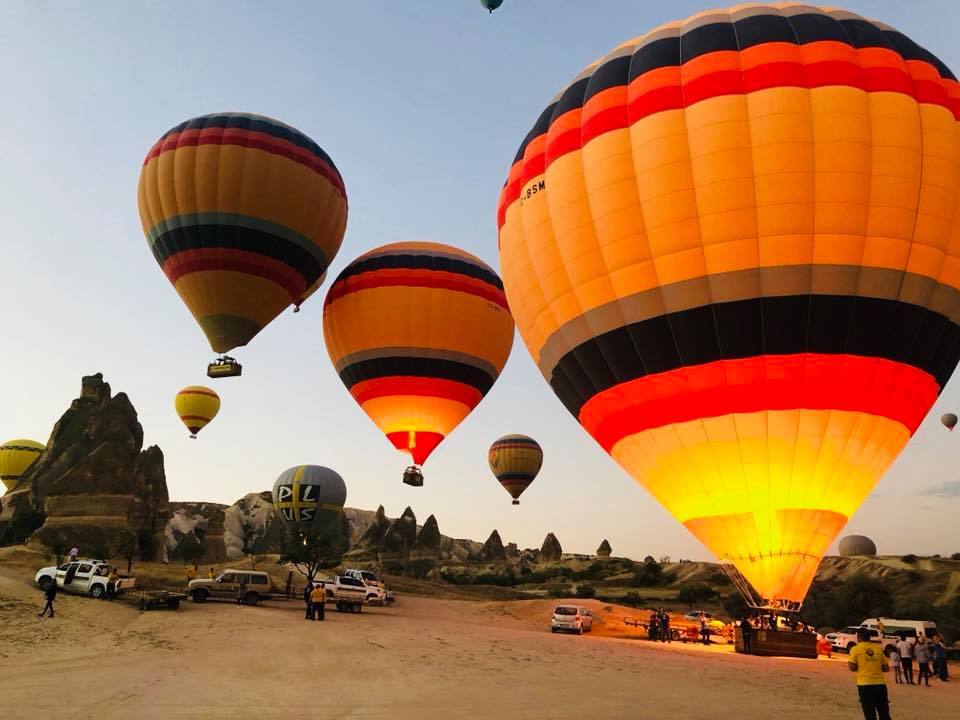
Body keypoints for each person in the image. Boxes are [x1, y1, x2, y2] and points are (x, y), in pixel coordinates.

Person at [848, 627, 890, 720]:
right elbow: (886, 668)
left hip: (865, 685)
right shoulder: (878, 649)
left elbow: (852, 668)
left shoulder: (855, 649)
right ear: (869, 638)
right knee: (884, 714)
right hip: (880, 685)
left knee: (870, 715)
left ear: (858, 638)